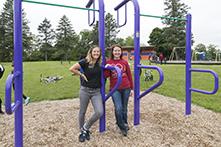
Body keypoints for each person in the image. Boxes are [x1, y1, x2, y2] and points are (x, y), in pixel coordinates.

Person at [69, 46, 103, 143]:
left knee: (99, 112)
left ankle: (85, 127)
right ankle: (82, 131)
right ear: (91, 52)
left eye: (98, 52)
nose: (96, 53)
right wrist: (81, 74)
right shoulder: (85, 61)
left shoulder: (100, 62)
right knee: (82, 111)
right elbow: (71, 68)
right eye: (94, 51)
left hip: (96, 92)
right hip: (85, 90)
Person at [104, 45, 133, 137]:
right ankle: (122, 126)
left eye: (119, 51)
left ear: (121, 52)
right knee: (118, 108)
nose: (117, 52)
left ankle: (124, 123)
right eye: (115, 51)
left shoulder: (124, 62)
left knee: (124, 108)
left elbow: (129, 75)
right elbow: (106, 75)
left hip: (126, 87)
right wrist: (106, 67)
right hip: (115, 88)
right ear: (112, 52)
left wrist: (132, 88)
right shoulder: (109, 62)